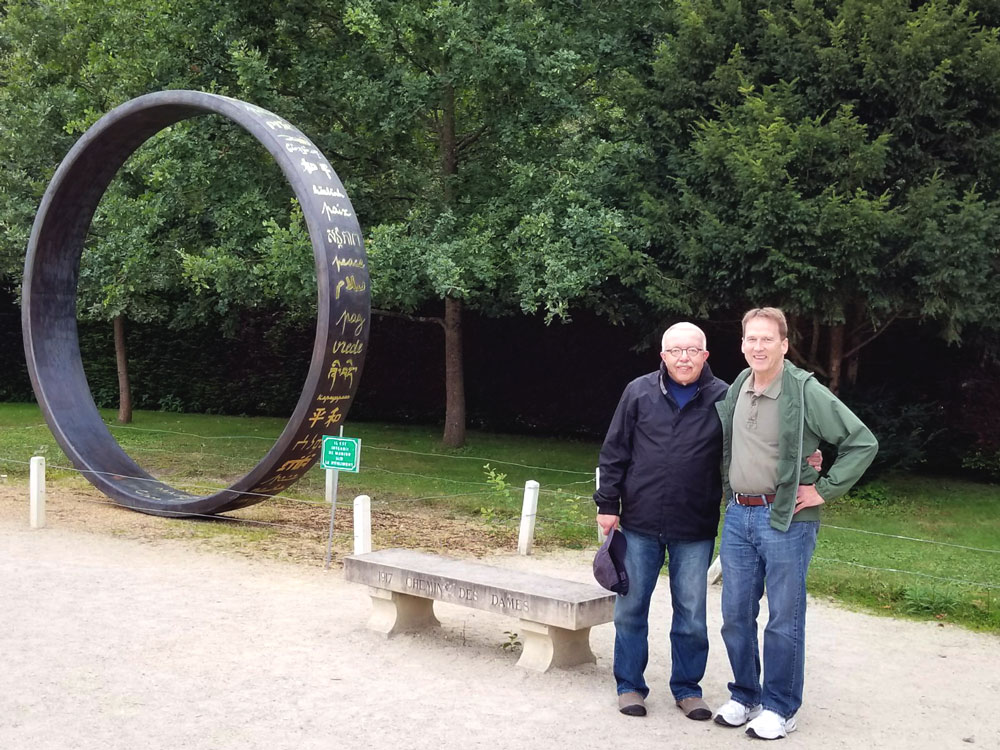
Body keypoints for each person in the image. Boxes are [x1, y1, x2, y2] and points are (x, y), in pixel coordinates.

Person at [713, 307, 878, 740]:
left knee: (784, 618)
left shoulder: (806, 391)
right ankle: (745, 695)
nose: (758, 346)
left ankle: (780, 708)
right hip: (738, 516)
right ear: (742, 344)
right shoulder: (738, 388)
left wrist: (824, 488)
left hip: (787, 517)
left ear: (784, 345)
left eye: (768, 339)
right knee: (735, 614)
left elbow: (862, 441)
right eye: (752, 339)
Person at [594, 322, 728, 720]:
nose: (683, 357)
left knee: (691, 615)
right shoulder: (638, 391)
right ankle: (630, 686)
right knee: (630, 609)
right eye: (675, 350)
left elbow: (755, 445)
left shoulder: (725, 398)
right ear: (663, 356)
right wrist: (607, 503)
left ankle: (688, 689)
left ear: (705, 355)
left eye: (692, 350)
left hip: (695, 525)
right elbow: (614, 449)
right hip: (639, 521)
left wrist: (807, 458)